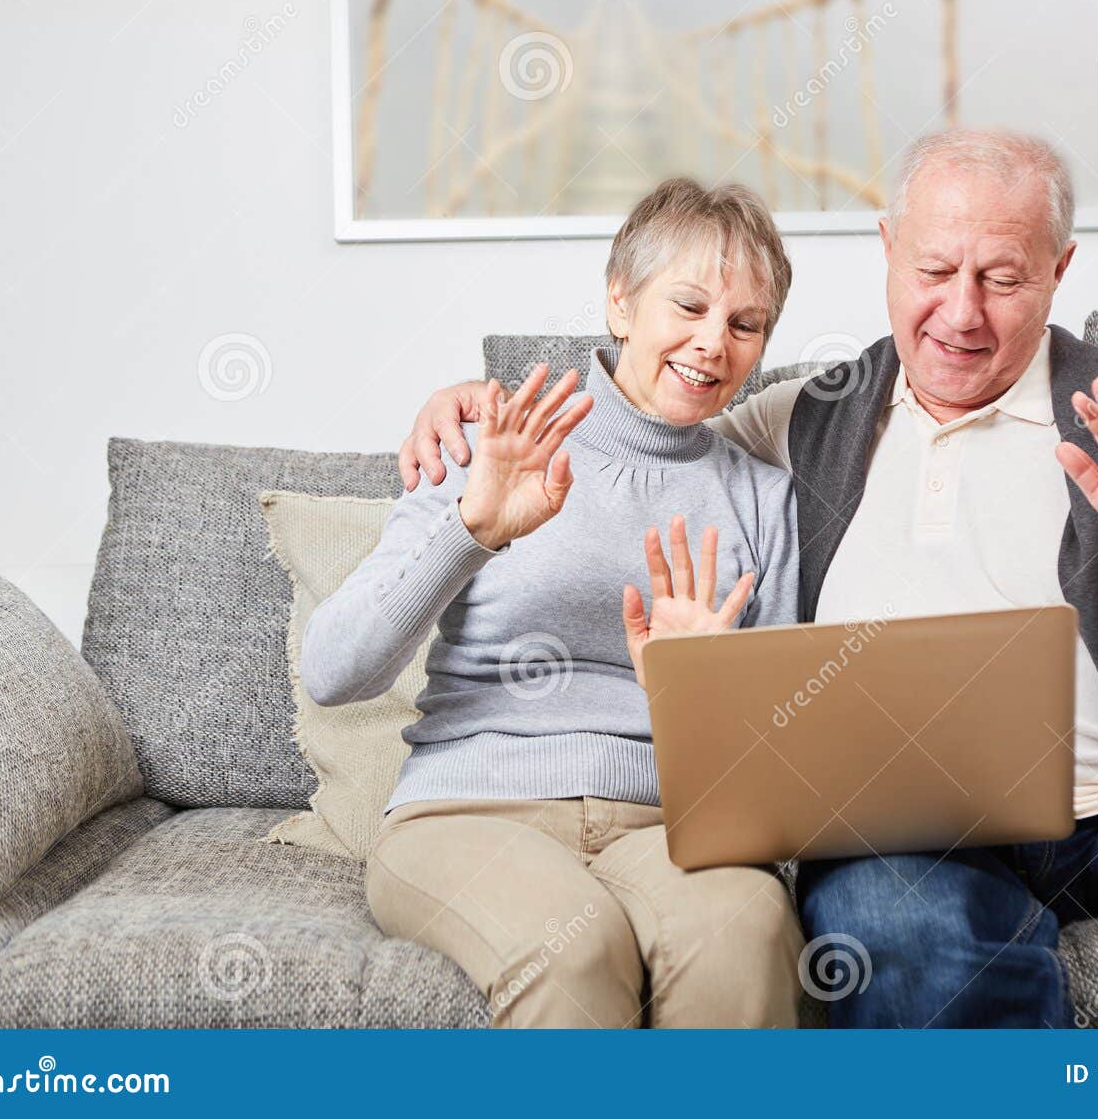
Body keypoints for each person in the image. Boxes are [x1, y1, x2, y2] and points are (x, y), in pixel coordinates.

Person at [397, 129, 1098, 1028]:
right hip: (900, 825)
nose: (960, 313)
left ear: (1058, 269)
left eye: (1002, 277)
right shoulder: (805, 417)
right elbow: (648, 410)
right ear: (887, 252)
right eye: (934, 269)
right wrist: (473, 403)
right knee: (895, 929)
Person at [302, 178, 806, 1028]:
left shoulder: (764, 498)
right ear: (620, 302)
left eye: (745, 324)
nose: (712, 343)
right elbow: (331, 669)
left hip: (671, 825)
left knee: (746, 928)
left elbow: (790, 766)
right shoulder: (495, 444)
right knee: (575, 947)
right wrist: (473, 528)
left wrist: (698, 697)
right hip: (467, 812)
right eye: (687, 305)